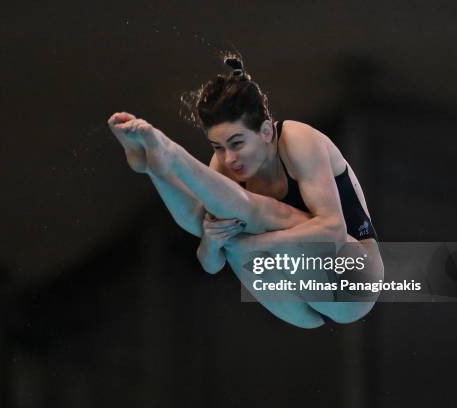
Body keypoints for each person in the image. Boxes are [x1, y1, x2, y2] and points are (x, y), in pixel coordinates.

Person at [107, 55, 383, 328]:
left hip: (353, 282)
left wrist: (253, 244)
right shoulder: (224, 169)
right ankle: (154, 168)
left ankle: (171, 157)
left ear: (265, 131)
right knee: (209, 222)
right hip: (294, 306)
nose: (229, 159)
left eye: (237, 143)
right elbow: (211, 264)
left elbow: (333, 231)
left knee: (255, 213)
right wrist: (212, 243)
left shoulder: (298, 140)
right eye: (218, 147)